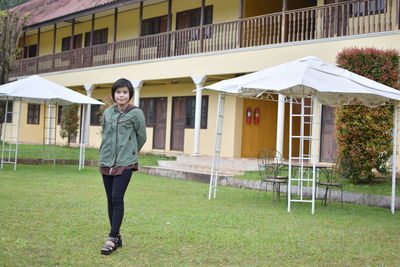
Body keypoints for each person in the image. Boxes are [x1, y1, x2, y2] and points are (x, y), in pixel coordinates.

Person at [99, 78, 147, 255]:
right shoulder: (108, 113)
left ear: (130, 95)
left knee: (117, 198)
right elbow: (106, 133)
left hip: (125, 163)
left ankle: (111, 238)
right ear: (114, 94)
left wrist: (130, 152)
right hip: (106, 160)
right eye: (118, 92)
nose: (121, 95)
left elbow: (141, 137)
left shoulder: (136, 113)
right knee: (110, 199)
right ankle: (117, 236)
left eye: (125, 92)